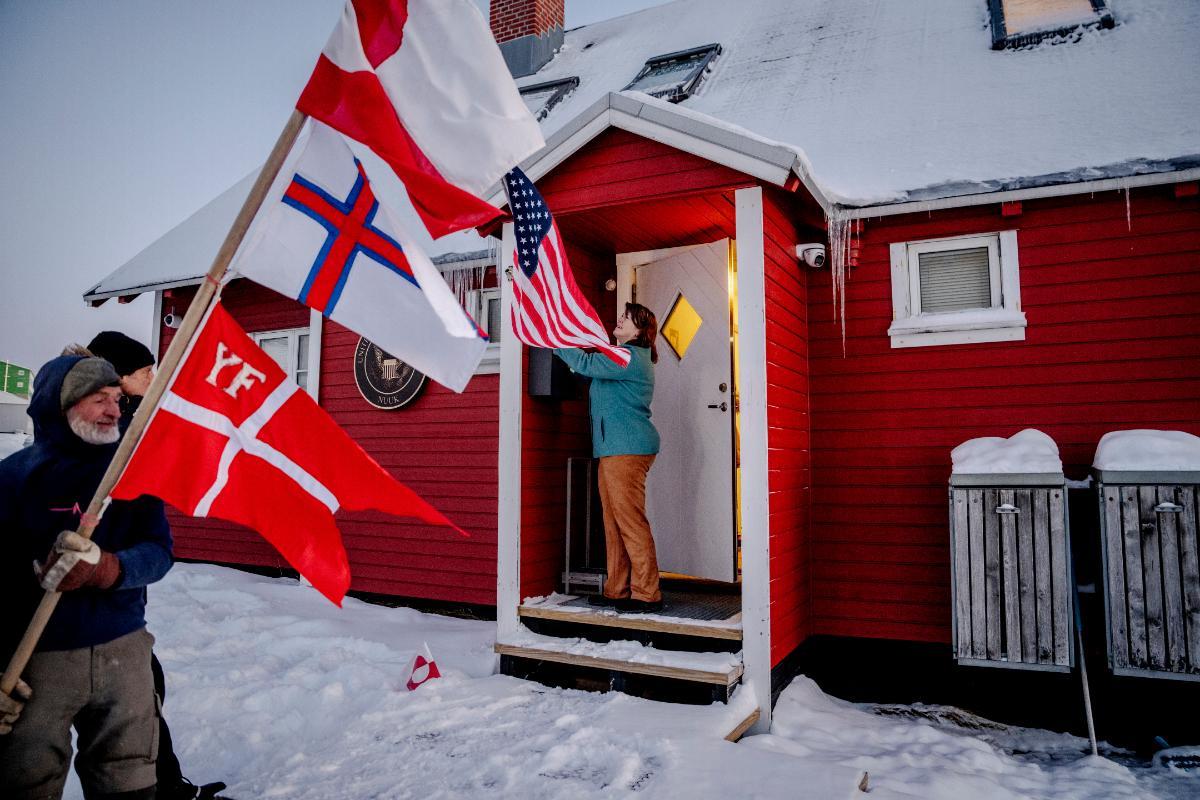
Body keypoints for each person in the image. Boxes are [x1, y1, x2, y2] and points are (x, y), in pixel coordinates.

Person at [0, 355, 173, 799]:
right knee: (26, 778)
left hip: (124, 649)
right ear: (60, 406)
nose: (115, 410)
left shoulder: (131, 472)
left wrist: (110, 568)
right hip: (38, 660)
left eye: (116, 398)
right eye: (100, 400)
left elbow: (160, 552)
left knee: (130, 775)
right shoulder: (13, 478)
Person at [86, 331, 228, 800]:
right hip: (77, 620)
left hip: (121, 606)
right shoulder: (95, 443)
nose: (155, 378)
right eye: (146, 372)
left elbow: (155, 542)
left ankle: (166, 787)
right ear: (119, 378)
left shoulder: (131, 431)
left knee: (144, 694)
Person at [555, 302, 664, 613]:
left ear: (640, 330)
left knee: (630, 521)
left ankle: (647, 593)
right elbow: (590, 369)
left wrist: (556, 341)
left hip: (627, 448)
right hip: (612, 448)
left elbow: (587, 365)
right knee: (613, 521)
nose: (620, 319)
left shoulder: (629, 356)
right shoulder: (620, 358)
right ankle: (617, 589)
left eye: (627, 318)